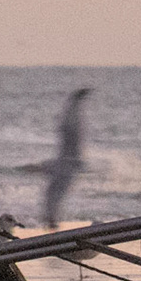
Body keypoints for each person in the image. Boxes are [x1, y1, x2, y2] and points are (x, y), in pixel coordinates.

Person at [42, 87, 92, 227]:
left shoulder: (70, 127)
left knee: (54, 192)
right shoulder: (71, 126)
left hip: (68, 162)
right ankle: (52, 220)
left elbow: (69, 128)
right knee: (54, 192)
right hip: (69, 161)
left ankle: (52, 220)